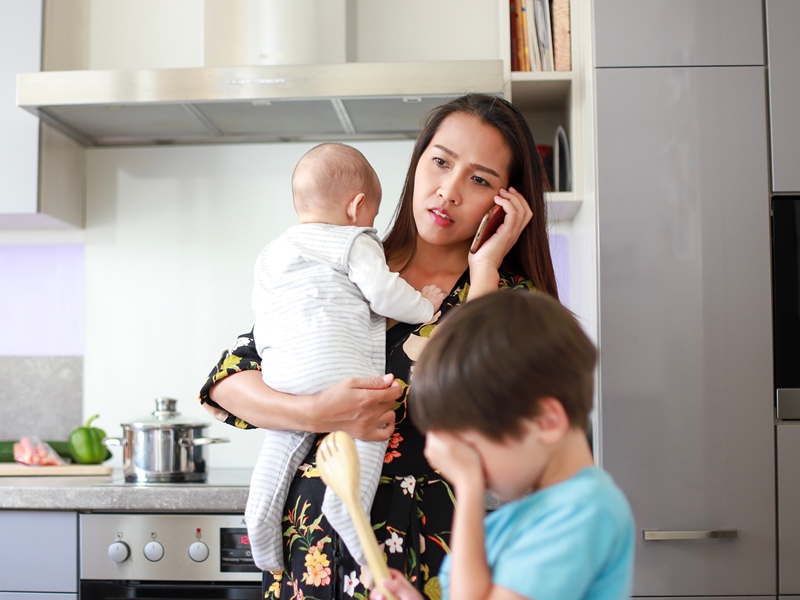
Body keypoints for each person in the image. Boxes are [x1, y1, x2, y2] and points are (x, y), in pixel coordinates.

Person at [199, 93, 559, 600]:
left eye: (479, 179)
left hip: (419, 563)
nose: (449, 191)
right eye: (441, 162)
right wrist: (316, 411)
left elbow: (490, 422)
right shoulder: (343, 255)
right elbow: (230, 381)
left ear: (506, 201)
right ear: (417, 166)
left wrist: (485, 271)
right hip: (308, 557)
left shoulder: (512, 298)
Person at [247, 142, 445, 573]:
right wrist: (425, 306)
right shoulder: (354, 240)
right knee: (369, 426)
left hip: (282, 372)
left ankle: (258, 523)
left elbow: (261, 315)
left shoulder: (273, 252)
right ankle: (347, 508)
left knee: (279, 451)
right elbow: (383, 292)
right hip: (340, 368)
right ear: (356, 206)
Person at [371, 291, 635, 600]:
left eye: (472, 448)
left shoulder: (585, 511)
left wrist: (468, 486)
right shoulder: (532, 514)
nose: (464, 464)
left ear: (545, 421)